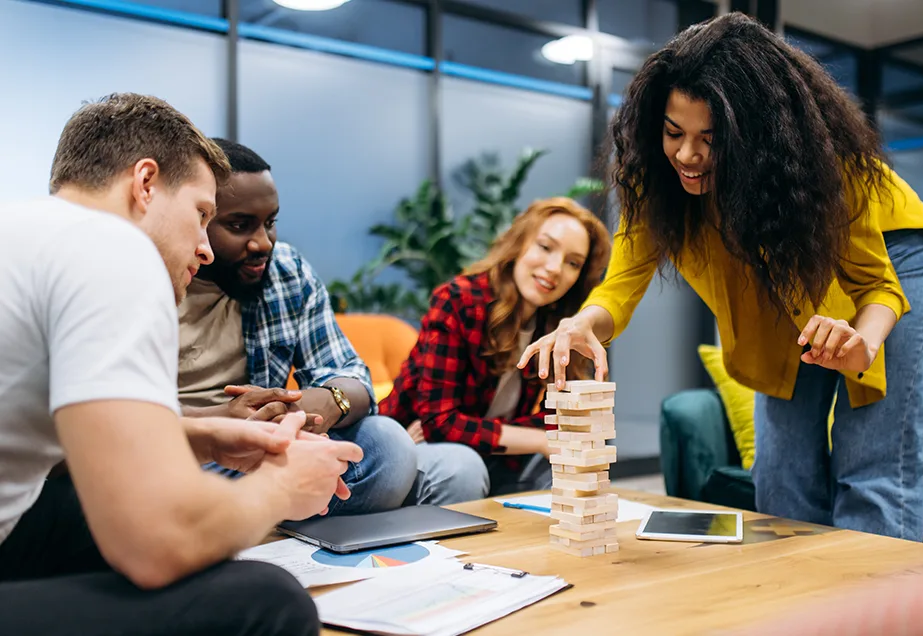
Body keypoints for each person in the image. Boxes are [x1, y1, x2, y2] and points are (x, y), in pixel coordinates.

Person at [519, 13, 923, 541]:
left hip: (889, 257)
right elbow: (621, 284)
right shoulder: (657, 175)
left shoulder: (824, 167)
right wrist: (583, 323)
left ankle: (877, 614)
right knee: (781, 472)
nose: (688, 155)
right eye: (675, 133)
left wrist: (865, 343)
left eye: (710, 139)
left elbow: (878, 286)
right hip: (780, 287)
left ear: (758, 138)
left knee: (871, 470)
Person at [0, 93, 364, 635]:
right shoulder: (112, 250)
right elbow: (156, 547)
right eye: (201, 215)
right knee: (268, 600)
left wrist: (198, 437)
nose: (206, 247)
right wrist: (280, 488)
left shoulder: (25, 230)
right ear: (145, 184)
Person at [178, 138, 488, 508]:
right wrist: (221, 423)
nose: (263, 243)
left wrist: (324, 402)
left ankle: (300, 521)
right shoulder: (150, 274)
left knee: (416, 453)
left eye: (270, 223)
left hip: (272, 451)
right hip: (180, 458)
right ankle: (299, 514)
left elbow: (352, 376)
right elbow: (119, 424)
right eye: (240, 225)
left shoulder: (285, 270)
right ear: (200, 218)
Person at [380, 197, 611, 495]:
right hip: (418, 452)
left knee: (579, 452)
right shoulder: (458, 302)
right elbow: (440, 423)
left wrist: (487, 429)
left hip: (494, 456)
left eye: (573, 263)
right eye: (545, 247)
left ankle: (553, 540)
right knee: (464, 468)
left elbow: (566, 417)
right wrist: (539, 439)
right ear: (519, 243)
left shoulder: (558, 325)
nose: (555, 268)